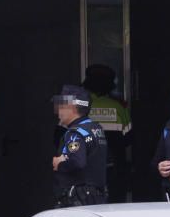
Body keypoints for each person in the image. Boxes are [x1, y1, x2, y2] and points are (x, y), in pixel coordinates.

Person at [82, 64, 132, 203]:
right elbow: (128, 138)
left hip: (85, 170)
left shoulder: (80, 106)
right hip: (113, 169)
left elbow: (61, 137)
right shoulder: (118, 106)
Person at [52, 85, 108, 206]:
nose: (58, 111)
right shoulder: (95, 128)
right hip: (96, 196)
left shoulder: (75, 133)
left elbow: (78, 162)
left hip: (79, 198)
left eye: (61, 106)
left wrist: (59, 164)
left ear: (71, 108)